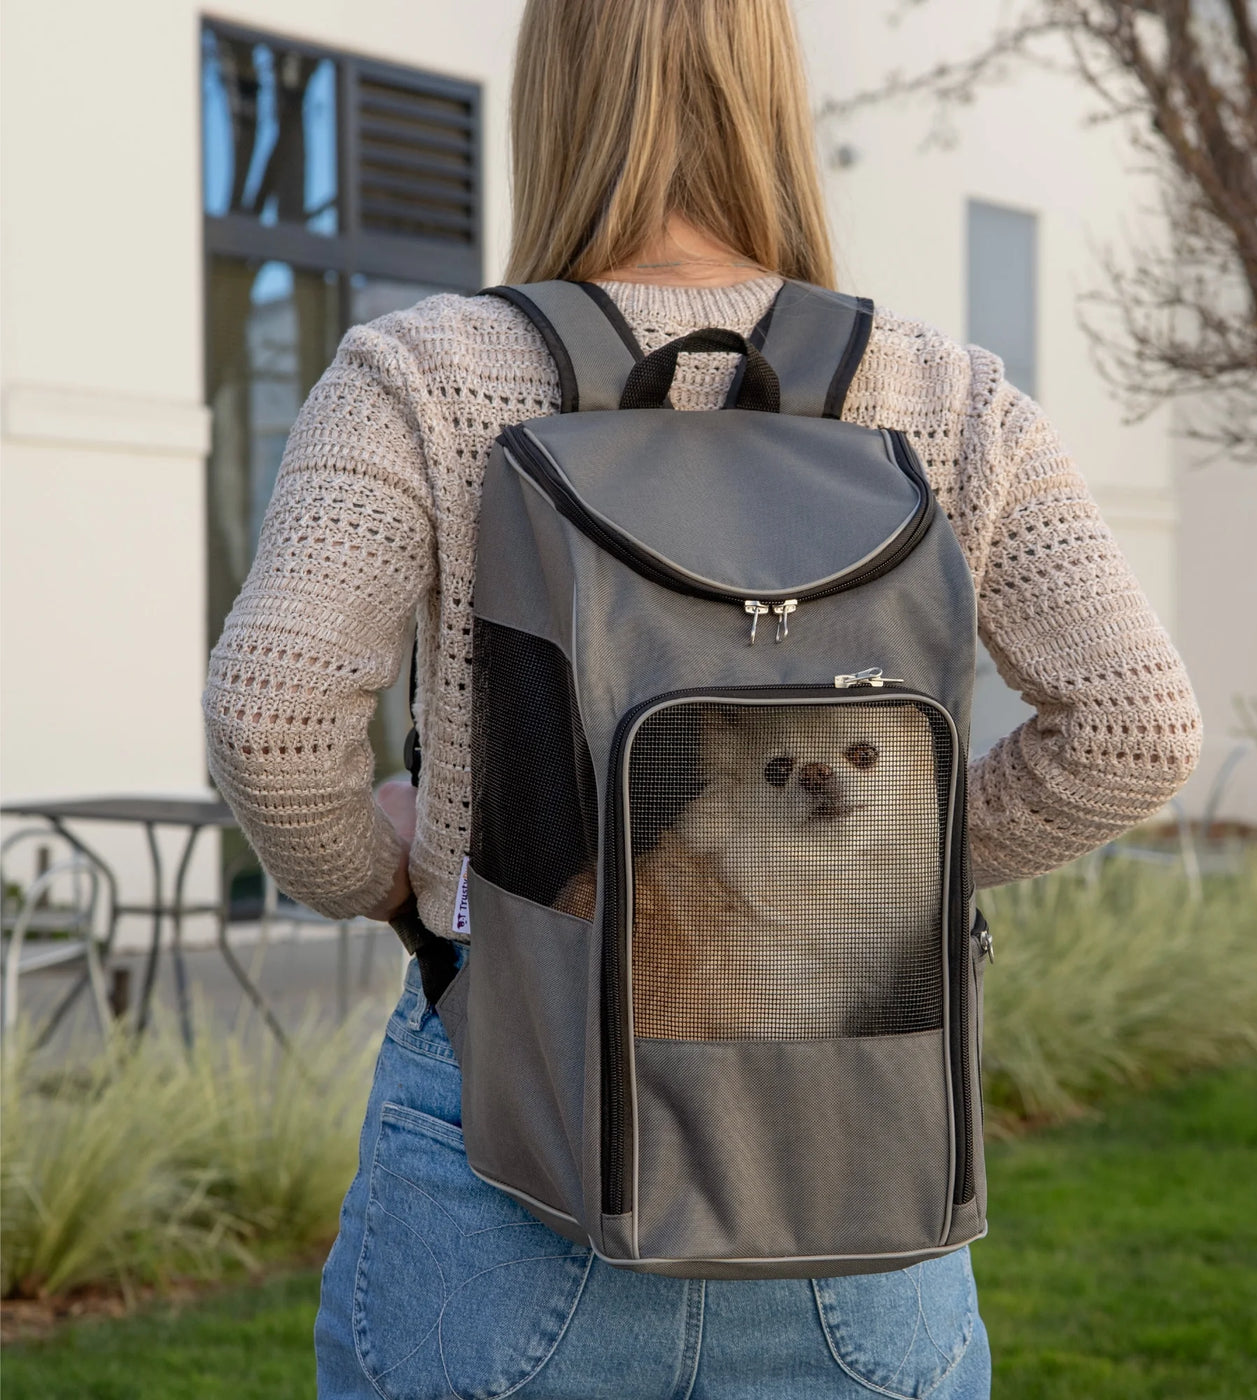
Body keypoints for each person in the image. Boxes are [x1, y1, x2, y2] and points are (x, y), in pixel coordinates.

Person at [204, 1, 1202, 1394]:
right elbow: (1138, 728)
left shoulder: (421, 373)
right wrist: (880, 869)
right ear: (776, 96)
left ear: (552, 95)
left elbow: (271, 715)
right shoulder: (950, 398)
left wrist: (384, 878)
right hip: (860, 1169)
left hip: (515, 1139)